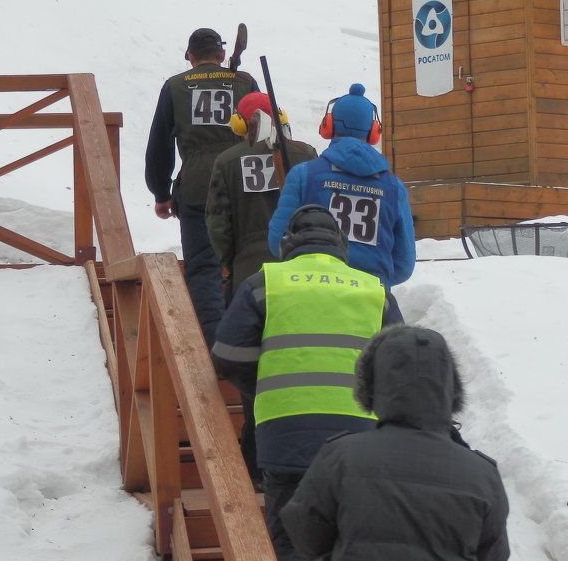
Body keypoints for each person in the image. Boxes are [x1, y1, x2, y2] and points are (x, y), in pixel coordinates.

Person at [211, 204, 403, 561]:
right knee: (351, 537)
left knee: (295, 539)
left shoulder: (266, 282)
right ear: (341, 246)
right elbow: (399, 364)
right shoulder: (373, 289)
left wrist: (265, 386)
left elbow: (227, 352)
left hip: (287, 431)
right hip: (359, 438)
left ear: (287, 244)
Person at [281, 324, 511, 561]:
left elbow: (306, 534)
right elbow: (492, 555)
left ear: (373, 385)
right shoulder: (481, 472)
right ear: (450, 389)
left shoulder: (342, 456)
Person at [205, 91, 317, 481]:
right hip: (302, 271)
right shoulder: (305, 155)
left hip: (247, 275)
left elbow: (218, 223)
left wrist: (228, 262)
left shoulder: (226, 161)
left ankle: (254, 459)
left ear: (240, 124)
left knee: (256, 363)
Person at [145, 27, 257, 347]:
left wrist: (161, 192)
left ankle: (214, 344)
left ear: (189, 56)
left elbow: (160, 147)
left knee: (203, 269)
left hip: (196, 188)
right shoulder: (245, 82)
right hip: (243, 185)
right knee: (245, 262)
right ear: (222, 55)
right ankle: (246, 341)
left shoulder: (175, 87)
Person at [267, 83, 416, 290]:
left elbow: (277, 243)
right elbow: (403, 265)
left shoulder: (303, 175)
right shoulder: (394, 188)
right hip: (371, 303)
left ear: (328, 125)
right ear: (374, 131)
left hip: (311, 296)